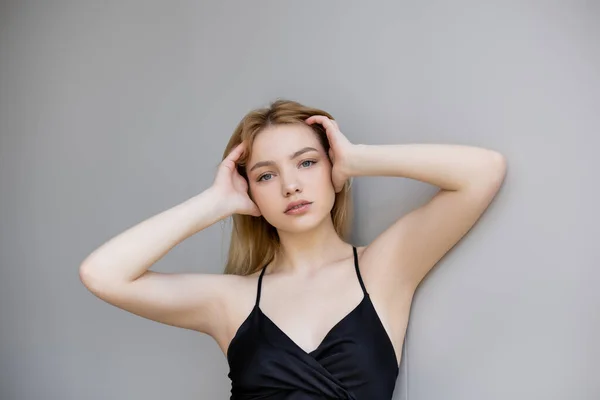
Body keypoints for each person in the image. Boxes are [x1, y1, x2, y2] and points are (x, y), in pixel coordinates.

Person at [79, 99, 507, 399]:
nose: (291, 185)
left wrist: (356, 159)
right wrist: (215, 203)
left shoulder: (383, 270)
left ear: (331, 167)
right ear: (251, 192)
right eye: (266, 176)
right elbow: (102, 274)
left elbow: (484, 172)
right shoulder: (232, 301)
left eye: (307, 162)